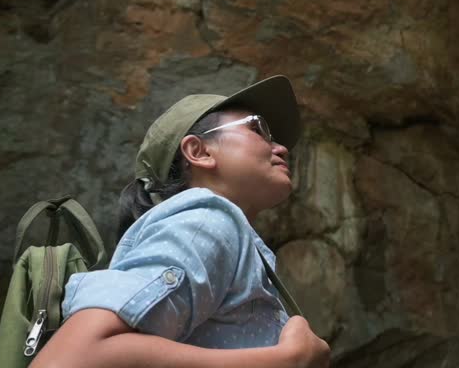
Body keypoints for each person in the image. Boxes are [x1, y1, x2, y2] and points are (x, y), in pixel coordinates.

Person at [31, 75, 331, 368]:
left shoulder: (220, 235)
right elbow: (74, 357)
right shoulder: (205, 222)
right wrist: (286, 360)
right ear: (199, 151)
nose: (281, 148)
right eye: (258, 129)